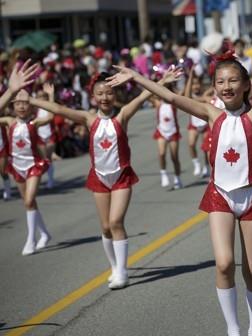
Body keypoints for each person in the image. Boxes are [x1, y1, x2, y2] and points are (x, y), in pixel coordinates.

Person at [106, 39, 252, 336]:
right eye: (220, 81)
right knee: (224, 264)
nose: (226, 86)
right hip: (220, 195)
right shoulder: (211, 114)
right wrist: (137, 77)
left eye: (233, 79)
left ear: (246, 84)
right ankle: (233, 329)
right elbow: (170, 99)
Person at [29, 68, 180, 289]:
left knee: (116, 222)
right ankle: (114, 267)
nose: (105, 97)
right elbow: (59, 108)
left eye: (109, 93)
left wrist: (163, 80)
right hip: (99, 178)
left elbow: (142, 96)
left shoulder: (122, 116)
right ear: (93, 96)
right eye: (100, 93)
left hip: (121, 176)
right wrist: (29, 98)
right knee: (105, 227)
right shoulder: (89, 119)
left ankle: (122, 272)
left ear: (115, 95)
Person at [0, 61, 53, 255]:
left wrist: (50, 96)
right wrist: (9, 92)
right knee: (29, 203)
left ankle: (30, 239)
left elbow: (51, 116)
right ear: (12, 105)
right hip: (17, 166)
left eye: (25, 103)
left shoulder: (34, 122)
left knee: (30, 199)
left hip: (34, 165)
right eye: (18, 103)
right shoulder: (8, 122)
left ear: (30, 106)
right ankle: (45, 233)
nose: (22, 106)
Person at [35, 83, 56, 188]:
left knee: (49, 159)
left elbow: (53, 111)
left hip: (50, 136)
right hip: (39, 137)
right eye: (39, 96)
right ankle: (39, 180)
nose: (42, 98)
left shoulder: (49, 107)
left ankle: (51, 180)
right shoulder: (35, 109)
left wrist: (51, 95)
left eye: (44, 96)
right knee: (44, 160)